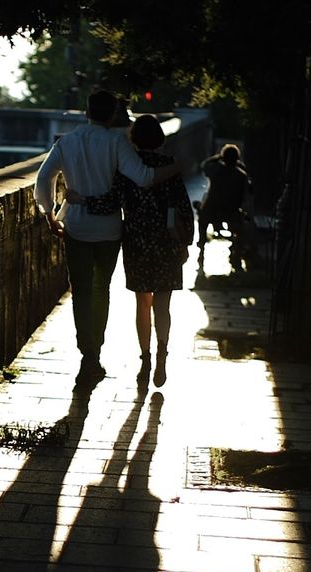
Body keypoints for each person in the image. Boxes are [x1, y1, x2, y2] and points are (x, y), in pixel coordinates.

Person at [34, 91, 183, 384]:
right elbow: (142, 177)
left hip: (75, 227)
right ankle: (95, 352)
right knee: (102, 289)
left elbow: (43, 179)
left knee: (81, 293)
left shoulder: (66, 142)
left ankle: (87, 354)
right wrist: (176, 167)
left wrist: (50, 214)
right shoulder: (117, 142)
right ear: (114, 113)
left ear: (86, 110)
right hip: (109, 231)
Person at [66, 115, 195, 386]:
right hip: (167, 242)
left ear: (133, 139)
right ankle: (162, 353)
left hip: (136, 241)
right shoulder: (170, 168)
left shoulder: (127, 168)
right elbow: (184, 207)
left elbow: (111, 202)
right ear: (159, 138)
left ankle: (145, 358)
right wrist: (186, 243)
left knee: (142, 303)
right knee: (163, 304)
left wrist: (82, 200)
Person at [197, 144, 252, 273]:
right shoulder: (241, 175)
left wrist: (217, 157)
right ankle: (237, 257)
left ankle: (201, 249)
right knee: (241, 227)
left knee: (202, 219)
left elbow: (204, 165)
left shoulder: (215, 171)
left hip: (212, 210)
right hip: (231, 211)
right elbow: (245, 195)